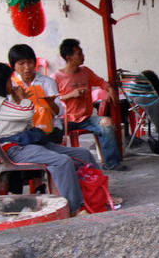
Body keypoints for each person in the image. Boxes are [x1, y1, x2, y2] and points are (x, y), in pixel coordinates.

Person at [0, 62, 100, 216]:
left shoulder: (2, 100)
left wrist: (19, 100)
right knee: (62, 161)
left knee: (83, 154)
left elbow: (27, 121)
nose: (11, 82)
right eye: (9, 79)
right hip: (15, 148)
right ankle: (74, 208)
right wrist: (23, 99)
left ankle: (99, 195)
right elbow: (27, 113)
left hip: (27, 143)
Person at [52, 38, 126, 171]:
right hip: (65, 120)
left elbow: (101, 82)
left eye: (81, 52)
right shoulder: (55, 77)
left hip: (86, 118)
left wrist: (110, 89)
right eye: (79, 53)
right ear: (69, 57)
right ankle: (59, 166)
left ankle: (111, 163)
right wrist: (70, 95)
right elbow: (52, 100)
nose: (83, 55)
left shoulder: (85, 71)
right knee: (51, 132)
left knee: (107, 122)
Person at [8, 44, 64, 144]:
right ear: (13, 66)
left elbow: (60, 112)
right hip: (24, 130)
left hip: (49, 129)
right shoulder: (12, 85)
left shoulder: (47, 82)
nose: (27, 67)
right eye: (21, 63)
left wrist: (51, 104)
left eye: (30, 62)